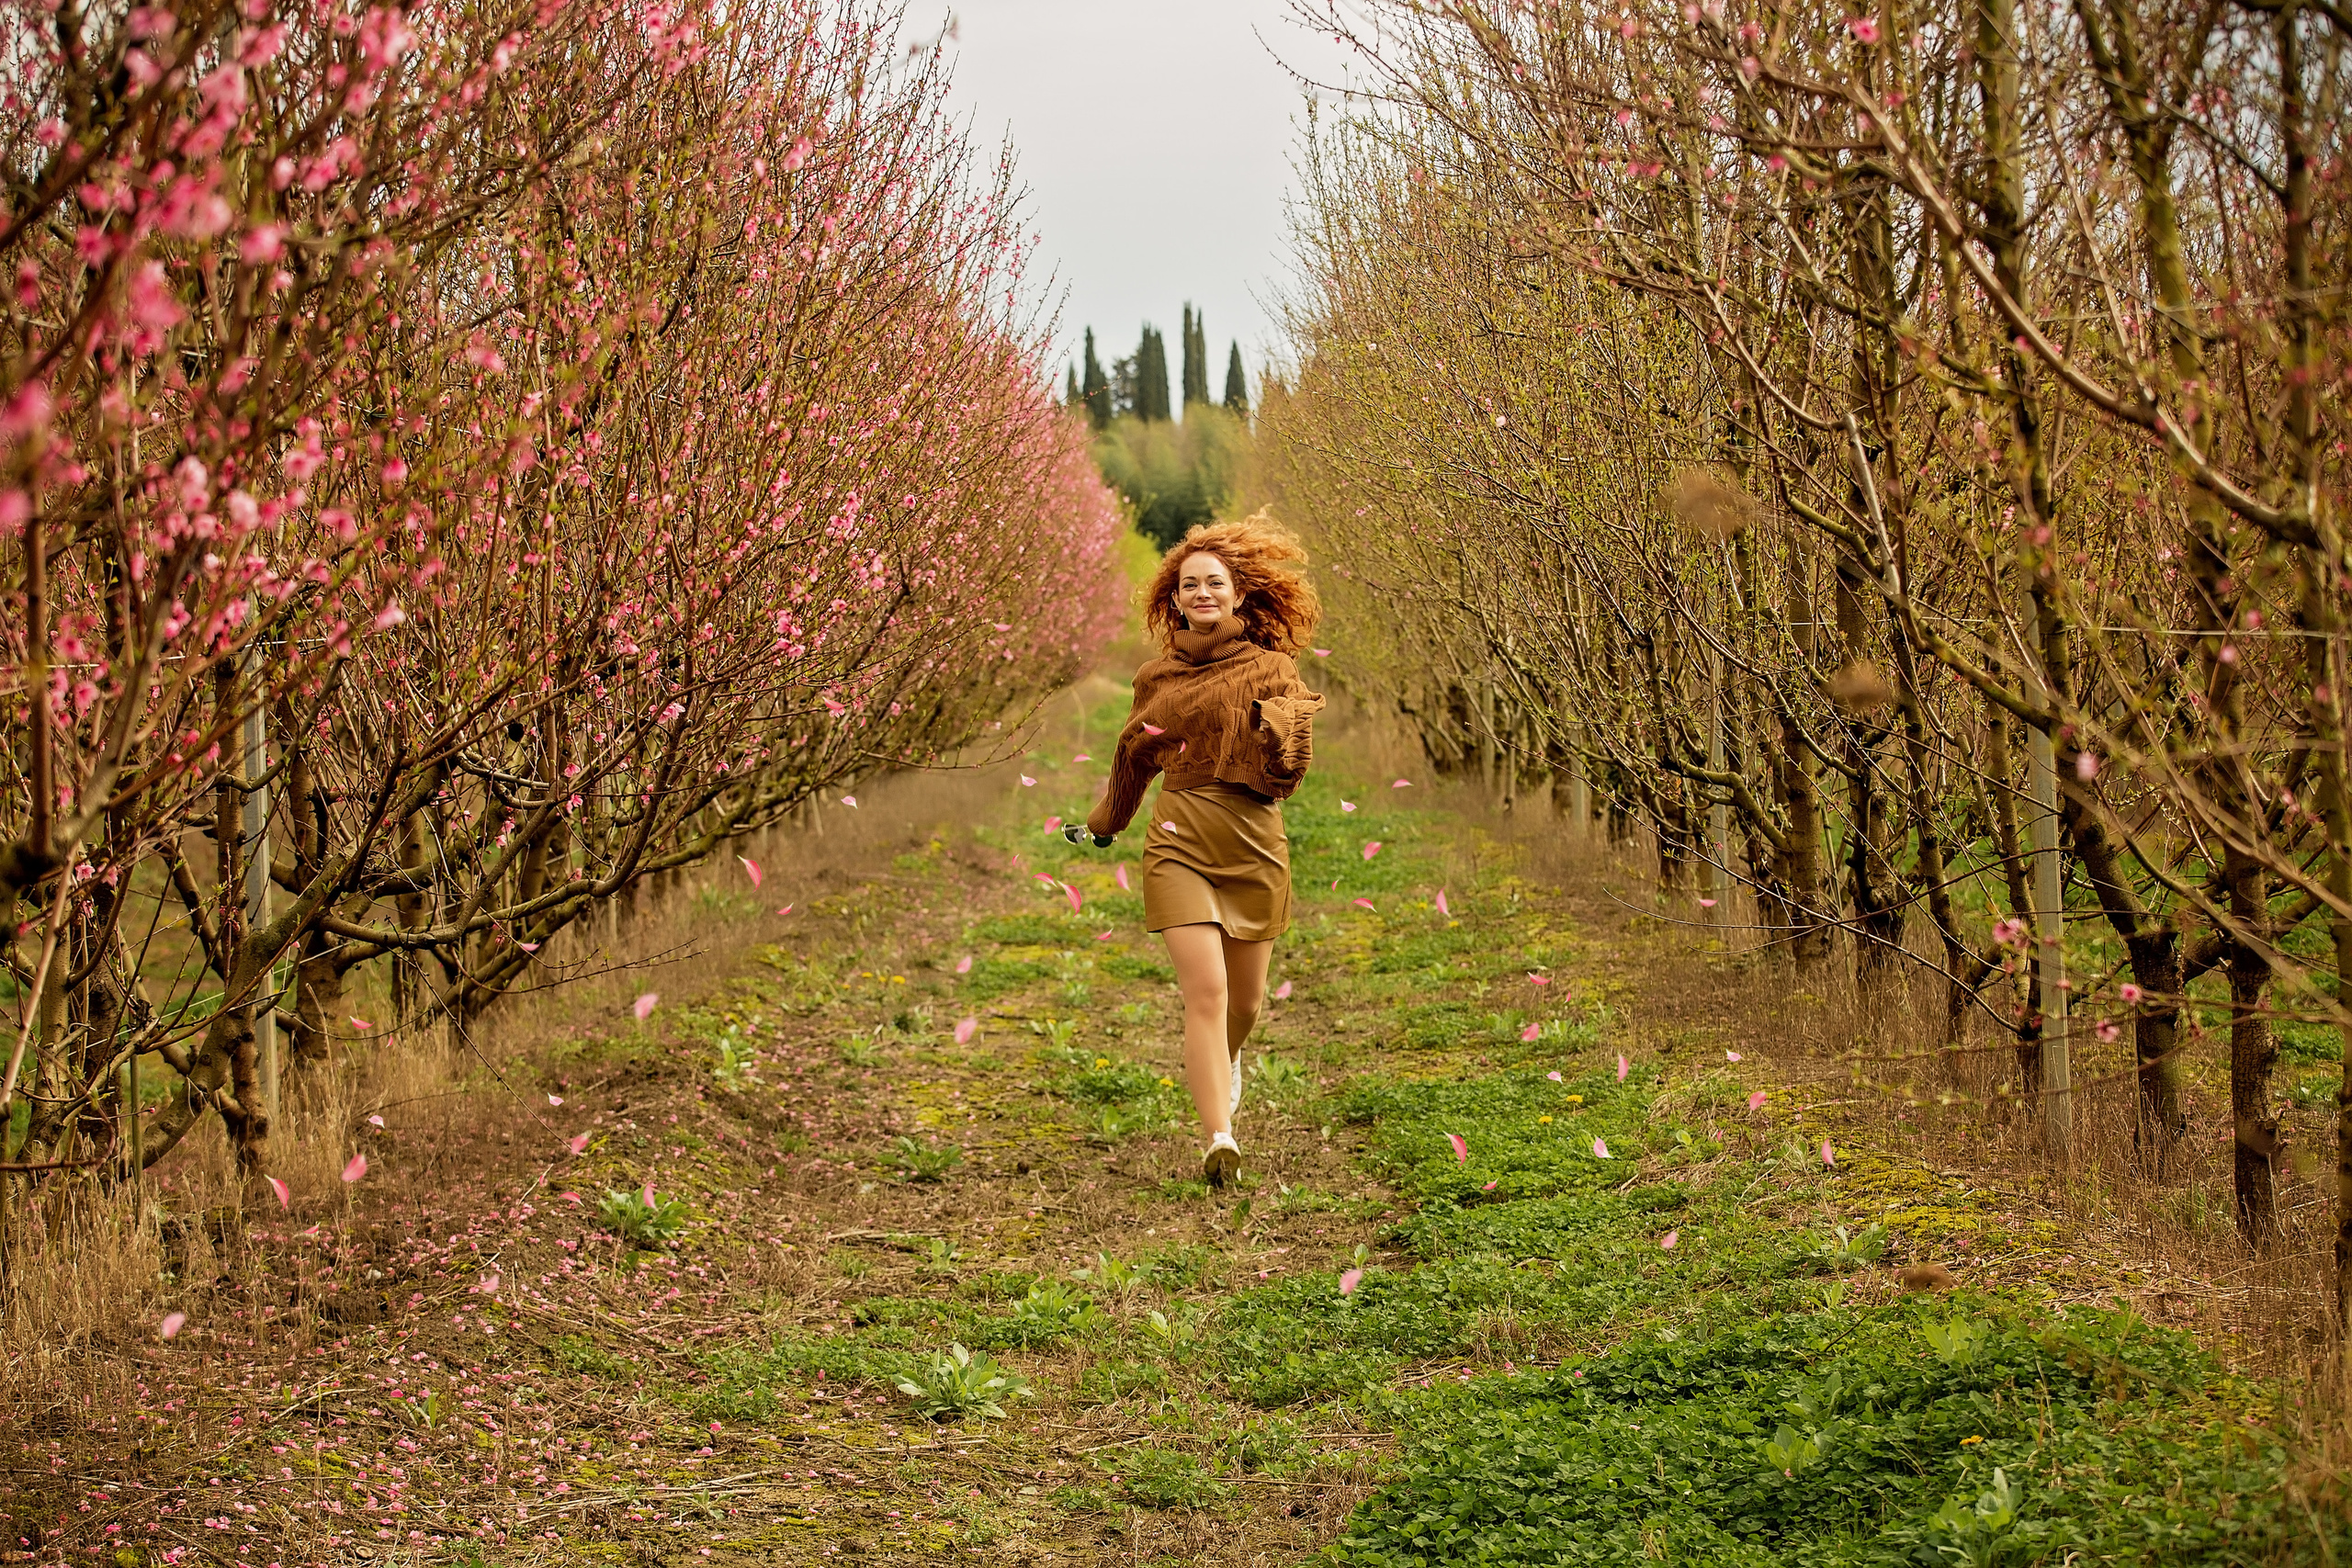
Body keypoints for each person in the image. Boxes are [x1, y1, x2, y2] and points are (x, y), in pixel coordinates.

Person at [1067, 513, 1324, 1187]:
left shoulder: (1274, 669)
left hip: (1252, 842)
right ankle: (1220, 1135)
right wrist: (1105, 823)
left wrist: (1279, 739)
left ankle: (1224, 1063)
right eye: (1190, 584)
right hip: (1178, 839)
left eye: (1215, 582)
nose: (1203, 593)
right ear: (1174, 598)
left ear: (1239, 594)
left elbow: (1289, 775)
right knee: (1205, 993)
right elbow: (1131, 754)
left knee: (1245, 1002)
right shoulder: (1157, 676)